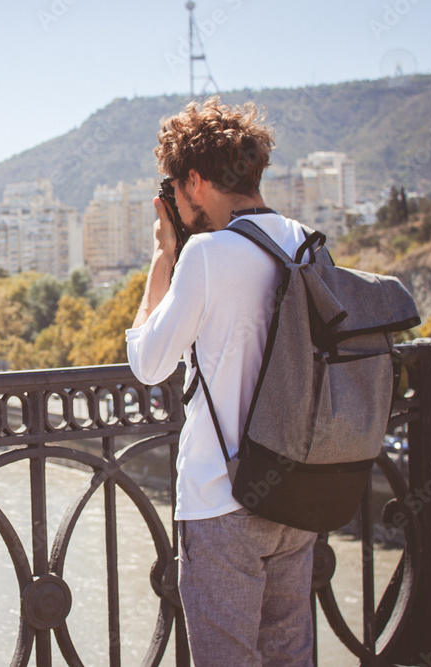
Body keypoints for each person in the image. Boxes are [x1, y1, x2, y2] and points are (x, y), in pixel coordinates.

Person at [125, 97, 316, 666]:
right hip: (297, 491)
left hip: (221, 499)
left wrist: (164, 258)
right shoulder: (305, 241)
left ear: (194, 181)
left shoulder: (206, 254)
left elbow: (149, 362)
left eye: (176, 190)